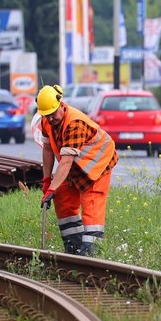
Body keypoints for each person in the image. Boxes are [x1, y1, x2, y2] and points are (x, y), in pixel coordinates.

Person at [36, 84, 118, 256]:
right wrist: (47, 181)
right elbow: (48, 149)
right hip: (75, 165)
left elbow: (65, 162)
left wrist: (52, 188)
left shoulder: (75, 123)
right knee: (63, 199)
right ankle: (73, 248)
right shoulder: (46, 120)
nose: (50, 119)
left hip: (97, 164)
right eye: (46, 116)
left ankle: (91, 252)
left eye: (52, 114)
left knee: (91, 204)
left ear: (61, 104)